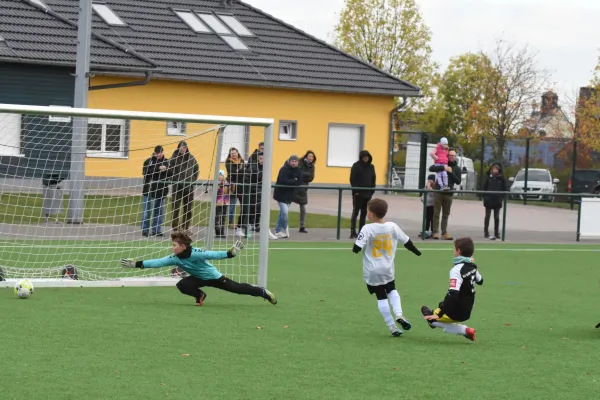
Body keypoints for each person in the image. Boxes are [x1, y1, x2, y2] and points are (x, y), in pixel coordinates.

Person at [120, 232, 277, 306]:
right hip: (198, 278)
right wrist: (136, 264)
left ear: (183, 246)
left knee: (237, 288)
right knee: (182, 285)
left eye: (174, 245)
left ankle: (262, 292)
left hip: (214, 277)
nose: (172, 247)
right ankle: (200, 295)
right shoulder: (174, 258)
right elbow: (157, 262)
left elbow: (213, 254)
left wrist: (230, 253)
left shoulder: (196, 253)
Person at [352, 198, 422, 337]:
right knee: (392, 290)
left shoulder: (367, 228)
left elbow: (357, 248)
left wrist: (356, 249)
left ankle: (392, 327)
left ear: (371, 214)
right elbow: (407, 242)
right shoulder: (392, 226)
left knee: (381, 296)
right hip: (388, 269)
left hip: (372, 270)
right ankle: (399, 314)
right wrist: (417, 252)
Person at [420, 237, 482, 342]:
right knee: (435, 310)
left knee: (429, 316)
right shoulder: (472, 267)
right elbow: (480, 281)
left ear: (458, 251)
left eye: (454, 249)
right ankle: (463, 329)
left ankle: (465, 330)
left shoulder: (456, 270)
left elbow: (453, 295)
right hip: (468, 310)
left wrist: (439, 314)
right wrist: (472, 265)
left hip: (456, 310)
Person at [429, 150, 462, 240]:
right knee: (436, 213)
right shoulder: (442, 163)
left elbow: (458, 181)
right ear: (447, 156)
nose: (451, 157)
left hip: (449, 193)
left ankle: (444, 232)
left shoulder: (457, 168)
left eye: (453, 155)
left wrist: (451, 172)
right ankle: (435, 232)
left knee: (446, 214)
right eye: (450, 155)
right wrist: (443, 168)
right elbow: (431, 168)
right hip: (439, 192)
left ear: (455, 157)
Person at [169, 141, 199, 234]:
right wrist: (174, 179)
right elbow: (169, 171)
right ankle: (176, 228)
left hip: (189, 188)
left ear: (187, 148)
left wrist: (192, 180)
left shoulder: (191, 158)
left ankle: (185, 228)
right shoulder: (173, 159)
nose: (183, 149)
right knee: (176, 208)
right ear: (178, 148)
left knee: (188, 209)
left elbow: (196, 170)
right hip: (177, 188)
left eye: (184, 147)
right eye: (181, 147)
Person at [271, 155, 302, 239]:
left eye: (296, 161)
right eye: (293, 161)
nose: (294, 163)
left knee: (282, 213)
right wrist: (294, 180)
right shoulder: (283, 169)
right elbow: (283, 181)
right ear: (289, 161)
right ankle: (285, 227)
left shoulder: (299, 171)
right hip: (280, 194)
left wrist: (293, 181)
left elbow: (299, 182)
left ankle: (277, 231)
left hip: (290, 195)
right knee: (284, 212)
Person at [349, 150, 376, 239]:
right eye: (364, 157)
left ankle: (361, 231)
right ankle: (353, 232)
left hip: (367, 194)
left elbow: (373, 179)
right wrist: (356, 191)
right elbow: (353, 179)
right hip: (358, 194)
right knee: (355, 212)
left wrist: (372, 191)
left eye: (367, 157)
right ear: (361, 157)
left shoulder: (371, 167)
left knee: (364, 213)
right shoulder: (356, 166)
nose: (366, 158)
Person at [292, 151, 316, 233]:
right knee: (286, 206)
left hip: (303, 189)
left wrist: (304, 175)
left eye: (312, 157)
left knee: (303, 208)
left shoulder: (312, 166)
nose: (311, 158)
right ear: (306, 156)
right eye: (309, 156)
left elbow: (311, 177)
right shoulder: (300, 162)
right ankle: (281, 226)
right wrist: (306, 174)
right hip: (296, 187)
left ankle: (302, 226)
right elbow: (298, 173)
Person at [482, 162, 508, 240]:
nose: (495, 170)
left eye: (496, 169)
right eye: (493, 168)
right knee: (487, 217)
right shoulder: (488, 178)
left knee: (496, 217)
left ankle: (496, 232)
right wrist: (485, 197)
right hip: (488, 201)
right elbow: (484, 188)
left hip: (497, 201)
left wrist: (501, 198)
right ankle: (486, 232)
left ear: (499, 170)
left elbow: (505, 189)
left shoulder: (502, 179)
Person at [242, 152, 264, 235]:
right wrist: (250, 187)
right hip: (252, 192)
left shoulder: (266, 169)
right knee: (251, 208)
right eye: (261, 158)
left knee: (259, 208)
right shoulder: (253, 168)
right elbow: (246, 178)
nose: (262, 160)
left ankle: (256, 224)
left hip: (261, 191)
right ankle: (248, 225)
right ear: (258, 159)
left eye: (264, 159)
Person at [225, 147, 246, 236]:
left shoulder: (242, 161)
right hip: (232, 186)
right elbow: (232, 172)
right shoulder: (228, 162)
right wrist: (240, 170)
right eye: (232, 153)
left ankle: (242, 222)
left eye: (235, 152)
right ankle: (231, 222)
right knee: (232, 205)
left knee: (243, 205)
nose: (233, 154)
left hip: (241, 186)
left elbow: (244, 172)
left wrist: (241, 170)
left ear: (238, 153)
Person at [418, 174, 436, 239]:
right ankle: (426, 231)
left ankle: (432, 231)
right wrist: (422, 199)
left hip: (432, 205)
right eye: (428, 179)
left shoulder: (433, 188)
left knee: (431, 219)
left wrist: (429, 188)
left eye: (431, 180)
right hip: (426, 205)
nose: (429, 181)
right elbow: (423, 195)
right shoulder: (426, 187)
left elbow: (433, 195)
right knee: (427, 219)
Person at [214, 170, 230, 238]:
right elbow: (216, 191)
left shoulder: (226, 183)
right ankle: (217, 232)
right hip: (218, 202)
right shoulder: (216, 182)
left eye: (221, 175)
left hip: (225, 201)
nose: (220, 177)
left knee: (223, 217)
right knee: (217, 216)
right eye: (219, 175)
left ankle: (222, 232)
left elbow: (228, 191)